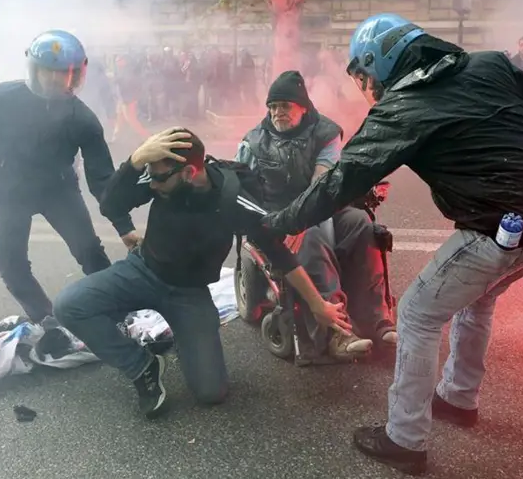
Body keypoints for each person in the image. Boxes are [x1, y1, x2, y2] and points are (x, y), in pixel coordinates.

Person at [262, 13, 523, 475]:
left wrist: (280, 221)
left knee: (418, 312)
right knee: (475, 299)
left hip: (499, 228)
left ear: (377, 64)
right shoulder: (488, 65)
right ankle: (459, 398)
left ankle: (404, 439)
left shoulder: (404, 105)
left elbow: (341, 179)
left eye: (361, 75)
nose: (363, 86)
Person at [53, 128, 351, 419]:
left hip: (188, 293)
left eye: (157, 177)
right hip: (142, 271)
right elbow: (110, 205)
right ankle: (142, 366)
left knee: (212, 393)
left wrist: (317, 304)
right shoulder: (162, 176)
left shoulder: (233, 200)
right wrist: (135, 161)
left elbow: (278, 253)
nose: (152, 184)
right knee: (69, 305)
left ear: (189, 173)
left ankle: (188, 341)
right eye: (150, 174)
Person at [0, 30, 137, 325]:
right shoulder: (1, 97)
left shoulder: (82, 118)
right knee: (12, 267)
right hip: (7, 192)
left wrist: (124, 227)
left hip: (58, 191)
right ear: (35, 70)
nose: (57, 80)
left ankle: (118, 311)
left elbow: (102, 179)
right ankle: (46, 321)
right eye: (50, 72)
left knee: (90, 252)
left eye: (65, 74)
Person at [236, 70, 396, 362]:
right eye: (272, 106)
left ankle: (377, 321)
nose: (277, 112)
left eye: (284, 105)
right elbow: (240, 186)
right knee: (313, 235)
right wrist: (288, 222)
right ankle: (336, 332)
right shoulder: (254, 141)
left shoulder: (326, 133)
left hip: (318, 202)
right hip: (278, 213)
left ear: (303, 106)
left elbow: (321, 185)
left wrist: (303, 218)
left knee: (362, 225)